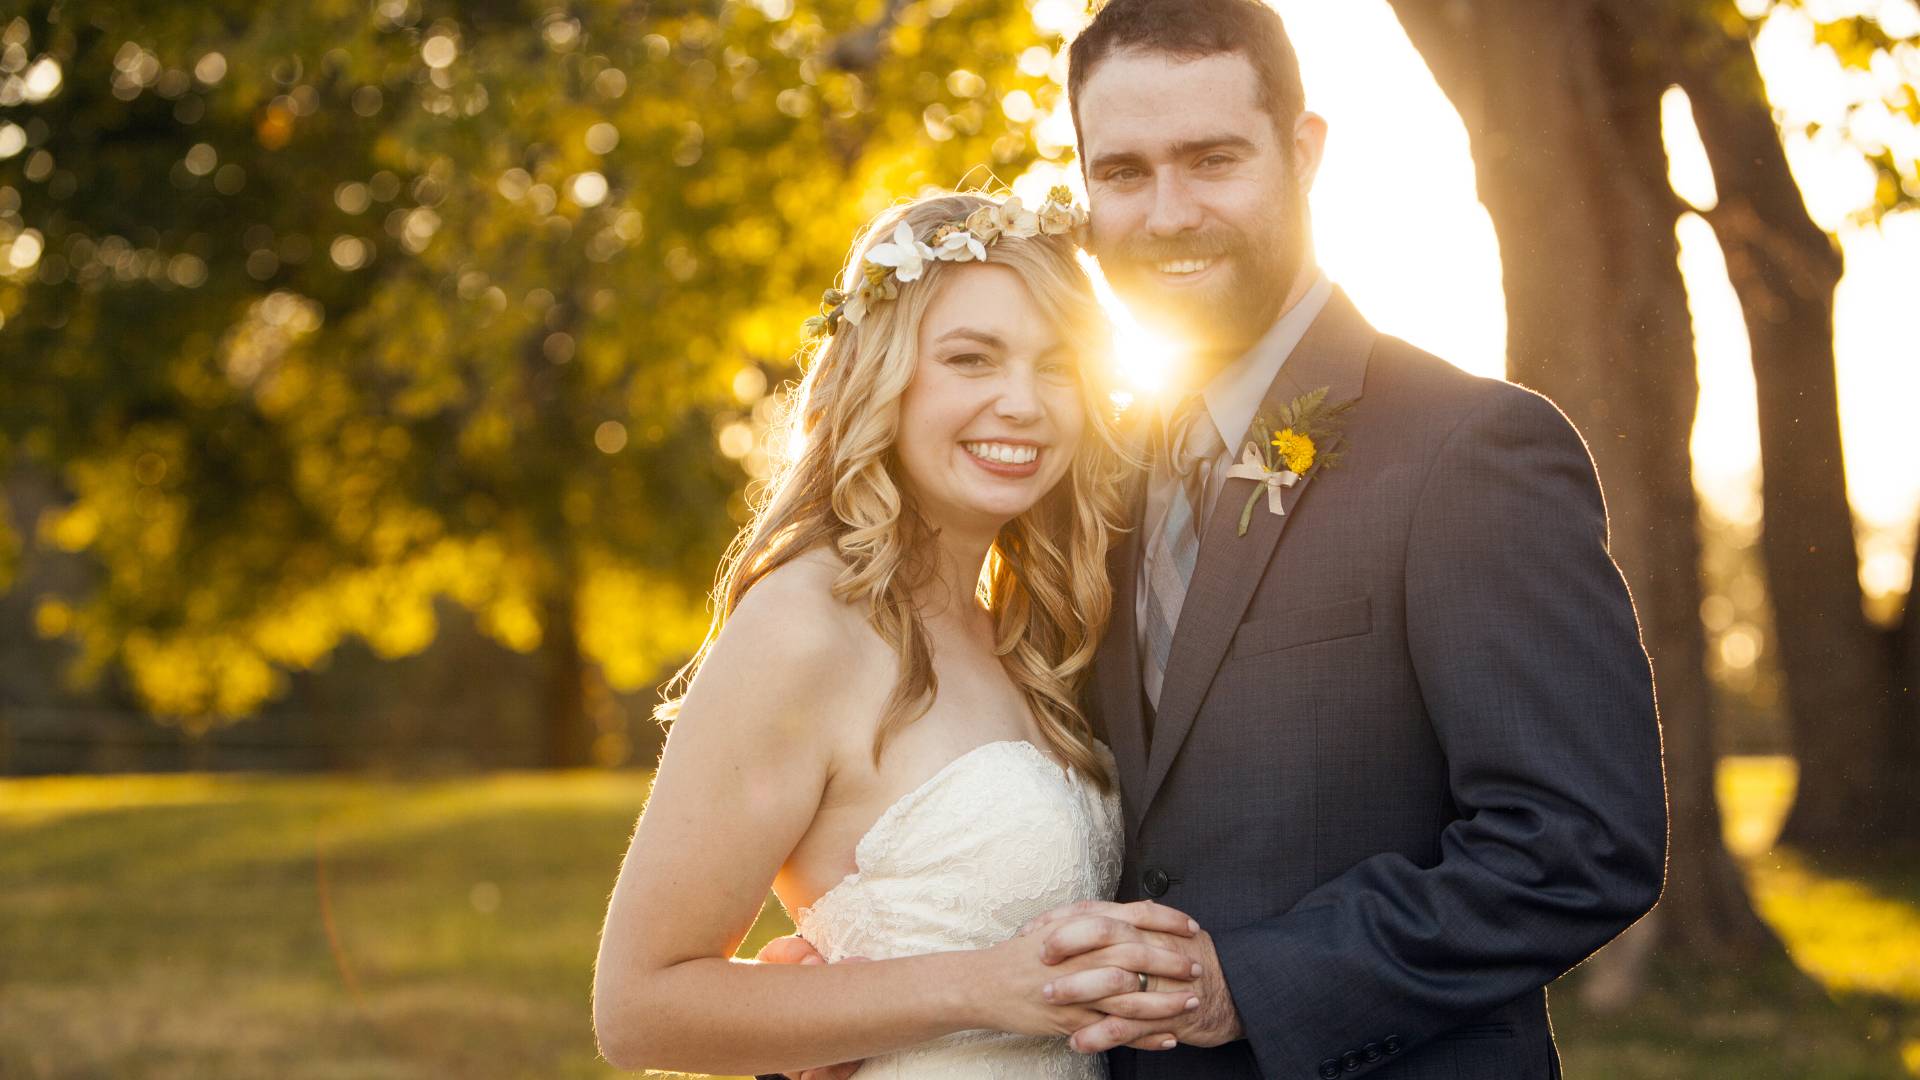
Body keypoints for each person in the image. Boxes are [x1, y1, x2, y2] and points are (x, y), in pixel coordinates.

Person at [763, 2, 1670, 1078]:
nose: (1169, 211)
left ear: (1303, 152)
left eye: (1212, 159)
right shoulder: (1082, 479)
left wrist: (1256, 982)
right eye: (1126, 171)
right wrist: (873, 970)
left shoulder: (1471, 450)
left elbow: (1577, 844)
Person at [592, 189, 1210, 1079]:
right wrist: (976, 987)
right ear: (883, 375)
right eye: (971, 358)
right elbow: (640, 1008)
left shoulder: (1019, 633)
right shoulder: (804, 623)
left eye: (1057, 365)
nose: (1023, 404)